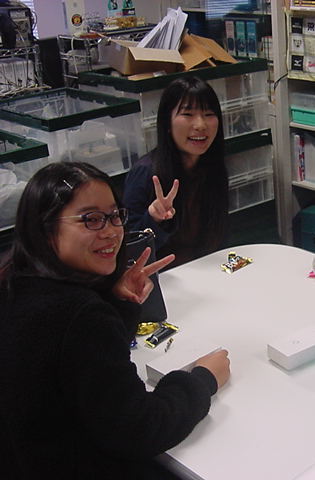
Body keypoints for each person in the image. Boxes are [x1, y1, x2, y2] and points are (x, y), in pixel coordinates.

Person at [0, 162, 231, 479]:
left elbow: (84, 370)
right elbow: (141, 428)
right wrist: (202, 380)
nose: (111, 231)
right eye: (91, 219)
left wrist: (117, 301)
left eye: (114, 216)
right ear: (46, 228)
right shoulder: (79, 315)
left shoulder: (15, 282)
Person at [124, 76, 228, 268]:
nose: (200, 125)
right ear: (167, 123)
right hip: (161, 277)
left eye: (208, 114)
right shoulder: (146, 172)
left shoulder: (212, 168)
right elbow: (128, 251)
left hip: (204, 269)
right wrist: (154, 219)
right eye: (188, 114)